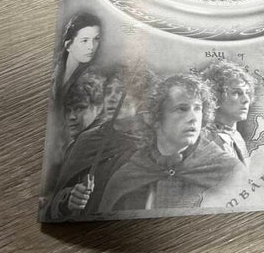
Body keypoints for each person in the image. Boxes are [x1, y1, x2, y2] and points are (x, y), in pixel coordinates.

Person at [98, 73, 244, 215]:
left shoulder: (228, 171)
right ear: (155, 118)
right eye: (182, 109)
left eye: (197, 108)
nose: (193, 118)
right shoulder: (128, 175)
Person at [43, 67, 154, 221]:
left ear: (141, 101)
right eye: (108, 92)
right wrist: (68, 200)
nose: (111, 98)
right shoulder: (86, 140)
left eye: (120, 91)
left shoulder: (153, 144)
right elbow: (55, 202)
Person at [201, 60, 254, 166]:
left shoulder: (237, 137)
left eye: (247, 93)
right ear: (215, 97)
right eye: (237, 93)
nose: (246, 99)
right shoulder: (205, 140)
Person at [52, 12, 102, 106]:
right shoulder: (54, 68)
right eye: (85, 40)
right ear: (68, 45)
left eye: (96, 39)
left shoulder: (92, 80)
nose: (91, 47)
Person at [62, 72, 105, 145]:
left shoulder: (90, 139)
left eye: (79, 108)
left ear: (99, 107)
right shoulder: (79, 140)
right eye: (68, 110)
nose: (71, 117)